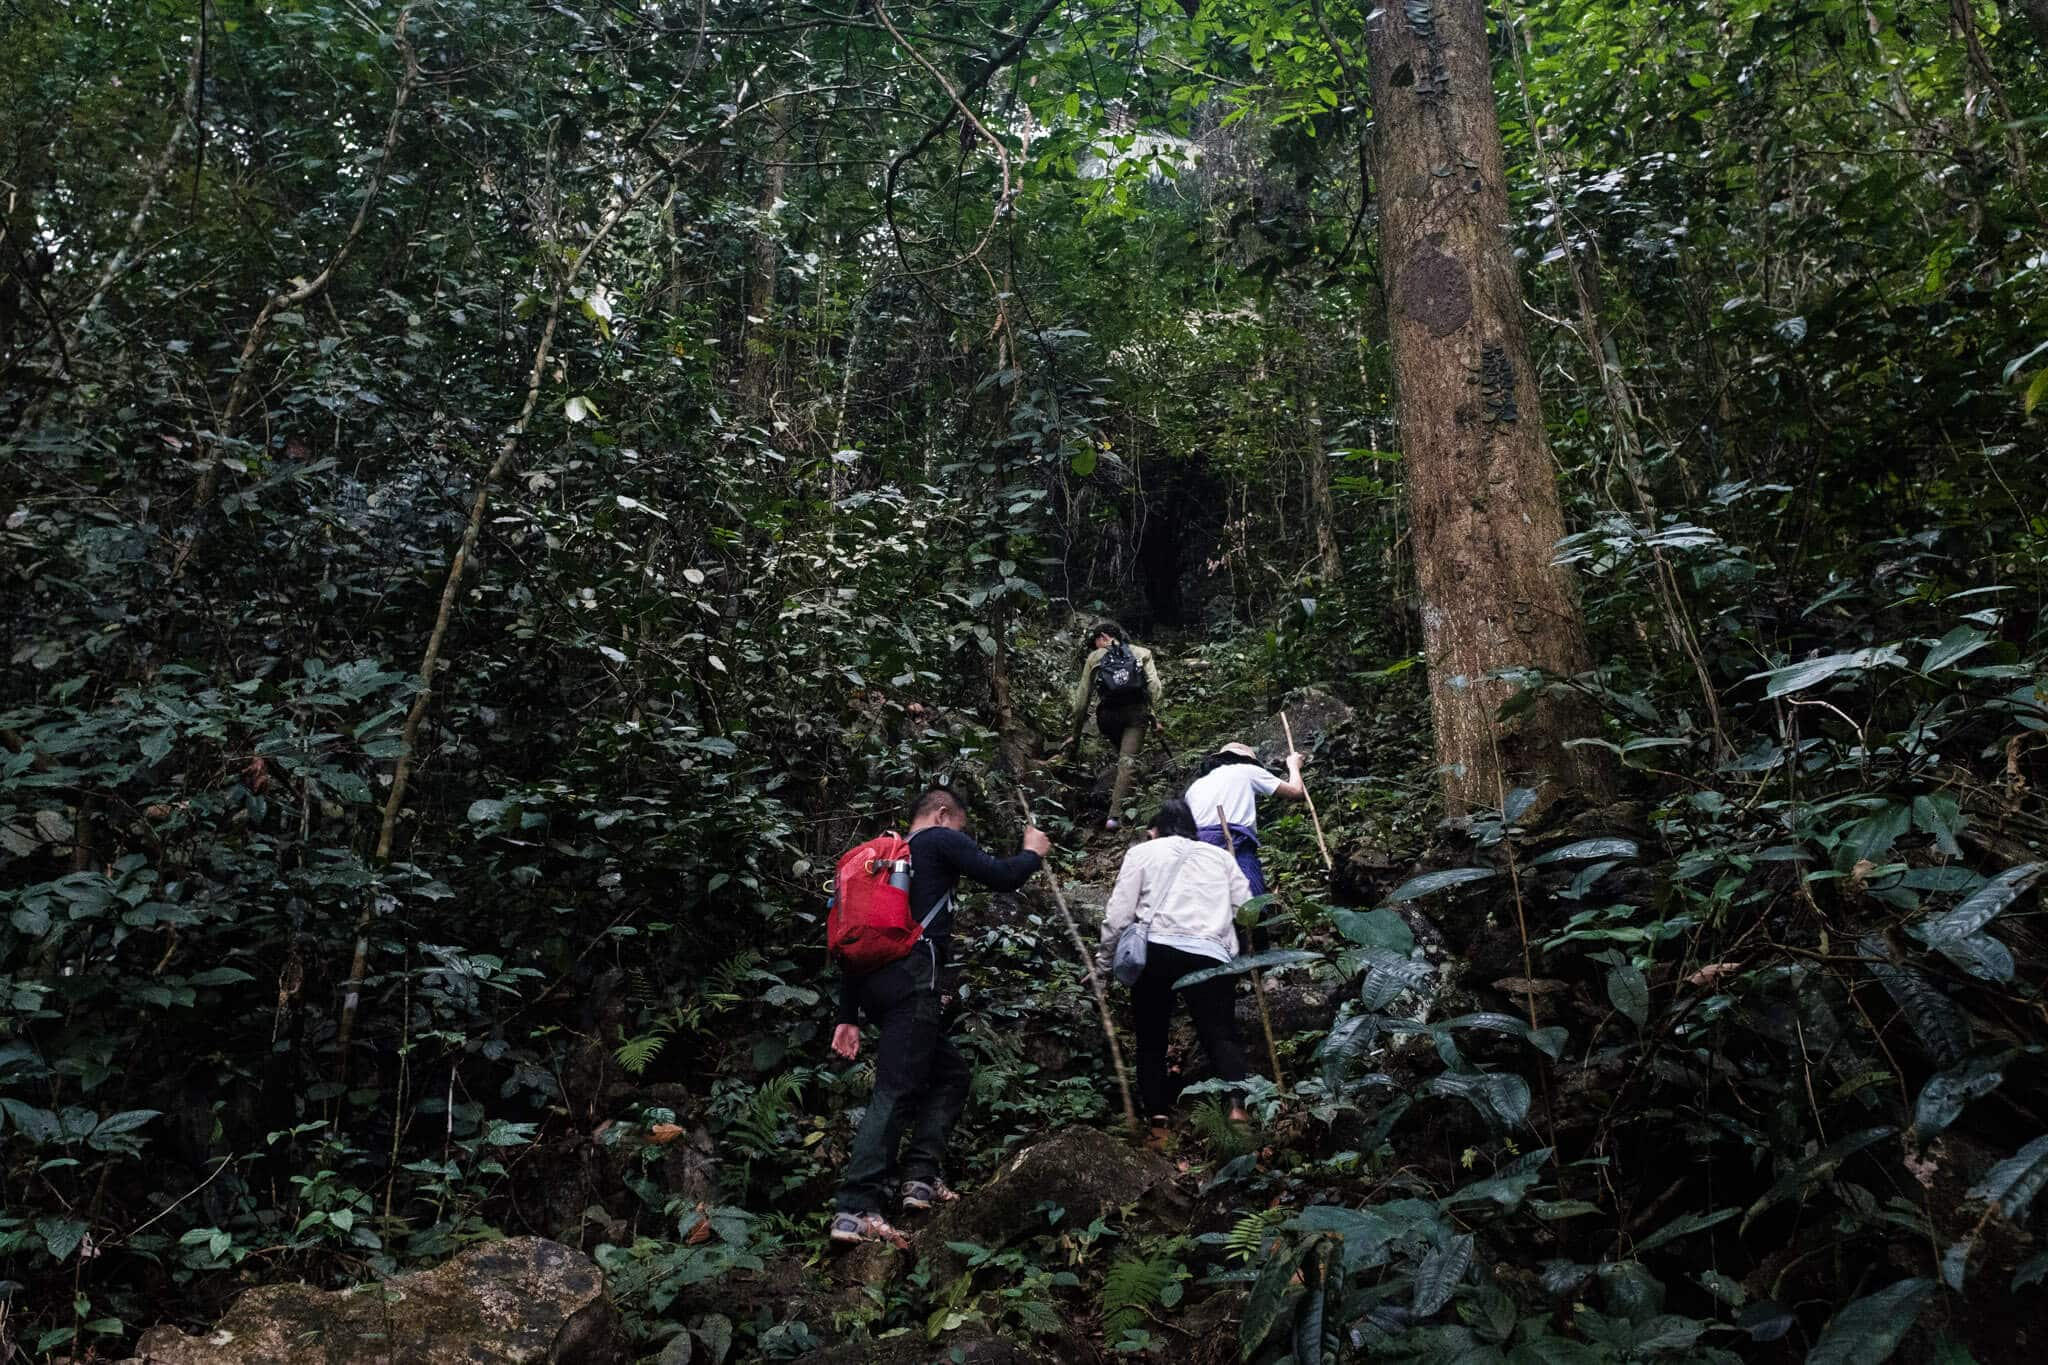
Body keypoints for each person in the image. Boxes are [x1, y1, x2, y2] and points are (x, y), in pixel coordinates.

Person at [827, 787, 1051, 1246]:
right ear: (943, 814)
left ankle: (920, 1178)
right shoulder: (937, 840)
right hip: (913, 981)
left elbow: (854, 939)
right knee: (896, 1089)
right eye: (962, 827)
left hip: (874, 984)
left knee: (950, 1074)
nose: (961, 835)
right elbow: (1002, 876)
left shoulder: (887, 862)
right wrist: (1032, 853)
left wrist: (847, 1014)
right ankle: (855, 1209)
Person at [1098, 799, 1254, 1127]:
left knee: (1151, 1035)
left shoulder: (1142, 852)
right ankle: (1237, 1105)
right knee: (1221, 1033)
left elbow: (1119, 915)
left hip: (1156, 950)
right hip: (1211, 953)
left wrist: (1102, 966)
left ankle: (1156, 1114)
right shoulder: (1221, 857)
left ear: (1153, 831)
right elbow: (1247, 908)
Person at [1057, 621, 1163, 831]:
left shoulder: (1095, 658)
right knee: (1127, 760)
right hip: (1136, 714)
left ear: (1103, 637)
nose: (1096, 646)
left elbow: (1081, 701)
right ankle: (1115, 817)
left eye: (1095, 641)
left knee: (1124, 759)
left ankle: (1130, 790)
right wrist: (1155, 717)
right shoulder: (1142, 653)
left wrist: (1075, 735)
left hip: (1108, 718)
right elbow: (1154, 687)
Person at [1181, 741, 1306, 900]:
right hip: (1233, 842)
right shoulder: (1247, 771)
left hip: (1195, 850)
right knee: (1250, 901)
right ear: (1248, 760)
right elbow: (1296, 791)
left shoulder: (1194, 787)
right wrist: (1293, 765)